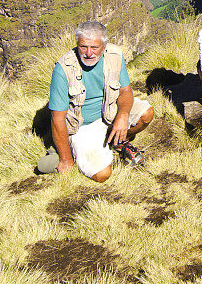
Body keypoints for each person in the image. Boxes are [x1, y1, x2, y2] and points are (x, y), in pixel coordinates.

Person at [37, 21, 154, 181]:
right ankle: (70, 152)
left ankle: (117, 141)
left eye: (94, 47)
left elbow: (125, 91)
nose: (89, 53)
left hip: (110, 110)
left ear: (104, 46)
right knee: (102, 175)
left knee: (146, 114)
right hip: (83, 126)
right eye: (83, 47)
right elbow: (57, 118)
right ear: (77, 44)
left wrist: (123, 115)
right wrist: (66, 160)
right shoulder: (63, 69)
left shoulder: (115, 55)